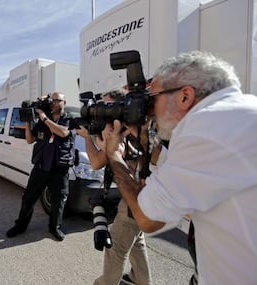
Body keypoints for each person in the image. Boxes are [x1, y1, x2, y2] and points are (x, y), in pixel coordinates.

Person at [102, 51, 257, 285]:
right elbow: (184, 174)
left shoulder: (204, 126)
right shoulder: (237, 114)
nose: (149, 110)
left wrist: (114, 155)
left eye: (152, 98)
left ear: (185, 96)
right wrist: (146, 140)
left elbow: (148, 218)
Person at [77, 90, 152, 285]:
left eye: (106, 107)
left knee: (115, 252)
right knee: (137, 244)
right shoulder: (135, 129)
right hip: (144, 201)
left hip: (132, 204)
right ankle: (140, 280)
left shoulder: (123, 137)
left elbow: (95, 162)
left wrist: (86, 137)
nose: (101, 112)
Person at [6, 92, 75, 241]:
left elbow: (63, 132)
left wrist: (44, 117)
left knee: (58, 200)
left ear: (64, 102)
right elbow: (30, 140)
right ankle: (20, 226)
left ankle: (54, 228)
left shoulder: (69, 120)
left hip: (59, 168)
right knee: (28, 198)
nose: (54, 103)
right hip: (42, 166)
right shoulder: (43, 122)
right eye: (53, 100)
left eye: (58, 100)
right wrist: (27, 122)